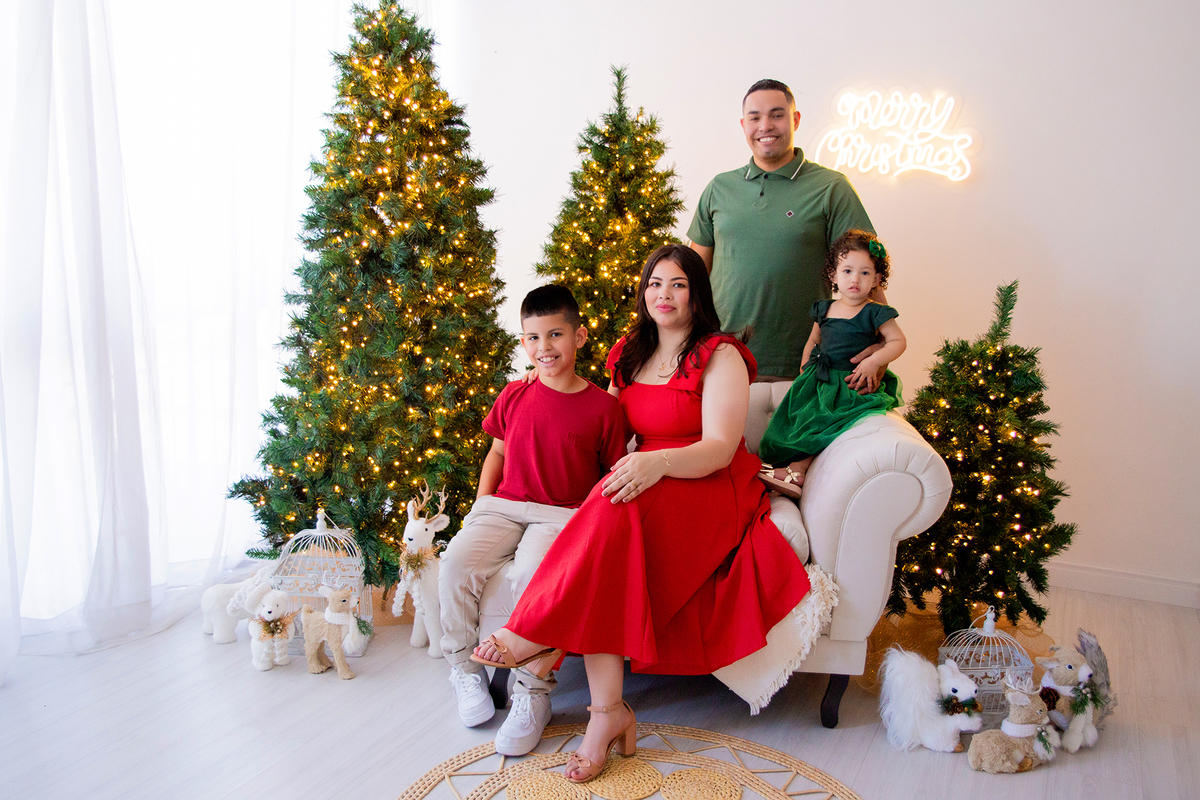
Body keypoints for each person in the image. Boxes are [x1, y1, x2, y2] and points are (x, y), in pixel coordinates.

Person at [470, 244, 812, 783]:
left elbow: (721, 447)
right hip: (643, 475)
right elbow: (599, 415)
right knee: (611, 534)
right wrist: (543, 383)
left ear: (696, 293)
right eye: (655, 283)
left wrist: (656, 464)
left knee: (614, 511)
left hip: (707, 480)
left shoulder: (720, 355)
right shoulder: (629, 352)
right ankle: (606, 713)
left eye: (677, 284)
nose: (664, 294)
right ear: (643, 293)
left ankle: (538, 631)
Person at [437, 284, 628, 756]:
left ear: (580, 336)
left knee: (530, 577)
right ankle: (464, 669)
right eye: (533, 338)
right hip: (502, 507)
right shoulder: (514, 393)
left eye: (555, 335)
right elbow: (496, 454)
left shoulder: (604, 409)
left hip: (561, 516)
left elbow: (609, 479)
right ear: (523, 341)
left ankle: (532, 691)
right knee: (455, 561)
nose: (544, 347)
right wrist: (480, 508)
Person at [687, 78, 884, 384]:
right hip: (721, 360)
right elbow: (692, 275)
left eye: (777, 115)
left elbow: (865, 268)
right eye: (755, 118)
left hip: (808, 365)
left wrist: (882, 341)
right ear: (743, 125)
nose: (765, 126)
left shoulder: (831, 187)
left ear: (795, 120)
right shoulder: (719, 188)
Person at [757, 230, 906, 496]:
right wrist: (805, 369)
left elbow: (898, 341)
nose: (855, 279)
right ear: (833, 275)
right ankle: (778, 465)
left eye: (864, 273)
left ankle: (797, 471)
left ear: (876, 280)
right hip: (819, 379)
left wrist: (874, 361)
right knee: (795, 419)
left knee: (822, 422)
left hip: (849, 383)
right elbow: (813, 341)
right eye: (847, 271)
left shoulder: (875, 312)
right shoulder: (824, 308)